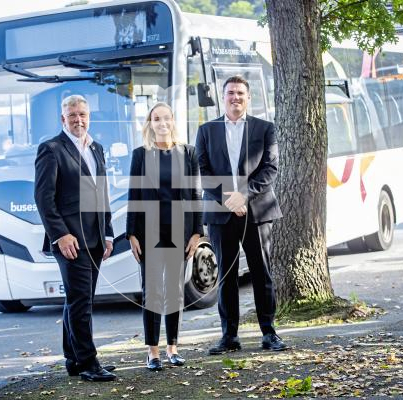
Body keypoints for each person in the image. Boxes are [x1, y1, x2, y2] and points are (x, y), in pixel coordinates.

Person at [195, 76, 287, 355]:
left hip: (256, 211)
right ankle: (229, 336)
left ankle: (269, 333)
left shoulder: (264, 128)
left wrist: (243, 195)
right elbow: (203, 170)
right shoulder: (206, 130)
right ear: (223, 97)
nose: (235, 97)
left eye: (240, 93)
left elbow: (270, 168)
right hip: (221, 214)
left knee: (262, 273)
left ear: (249, 98)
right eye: (230, 93)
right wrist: (228, 199)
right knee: (226, 275)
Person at [34, 95, 116, 382]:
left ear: (88, 116)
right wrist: (60, 235)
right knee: (81, 303)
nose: (78, 120)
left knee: (79, 300)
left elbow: (102, 193)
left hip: (95, 238)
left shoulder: (97, 148)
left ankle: (74, 359)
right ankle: (89, 362)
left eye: (82, 114)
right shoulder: (52, 149)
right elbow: (44, 199)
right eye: (72, 116)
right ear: (63, 120)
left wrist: (108, 232)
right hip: (70, 240)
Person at [126, 102, 203, 371]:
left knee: (174, 291)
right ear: (150, 123)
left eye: (166, 118)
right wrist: (131, 234)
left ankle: (172, 348)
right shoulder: (140, 155)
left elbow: (195, 195)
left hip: (180, 233)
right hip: (148, 233)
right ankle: (153, 352)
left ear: (173, 121)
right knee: (152, 293)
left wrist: (197, 232)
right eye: (156, 118)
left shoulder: (189, 153)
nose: (162, 123)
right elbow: (133, 196)